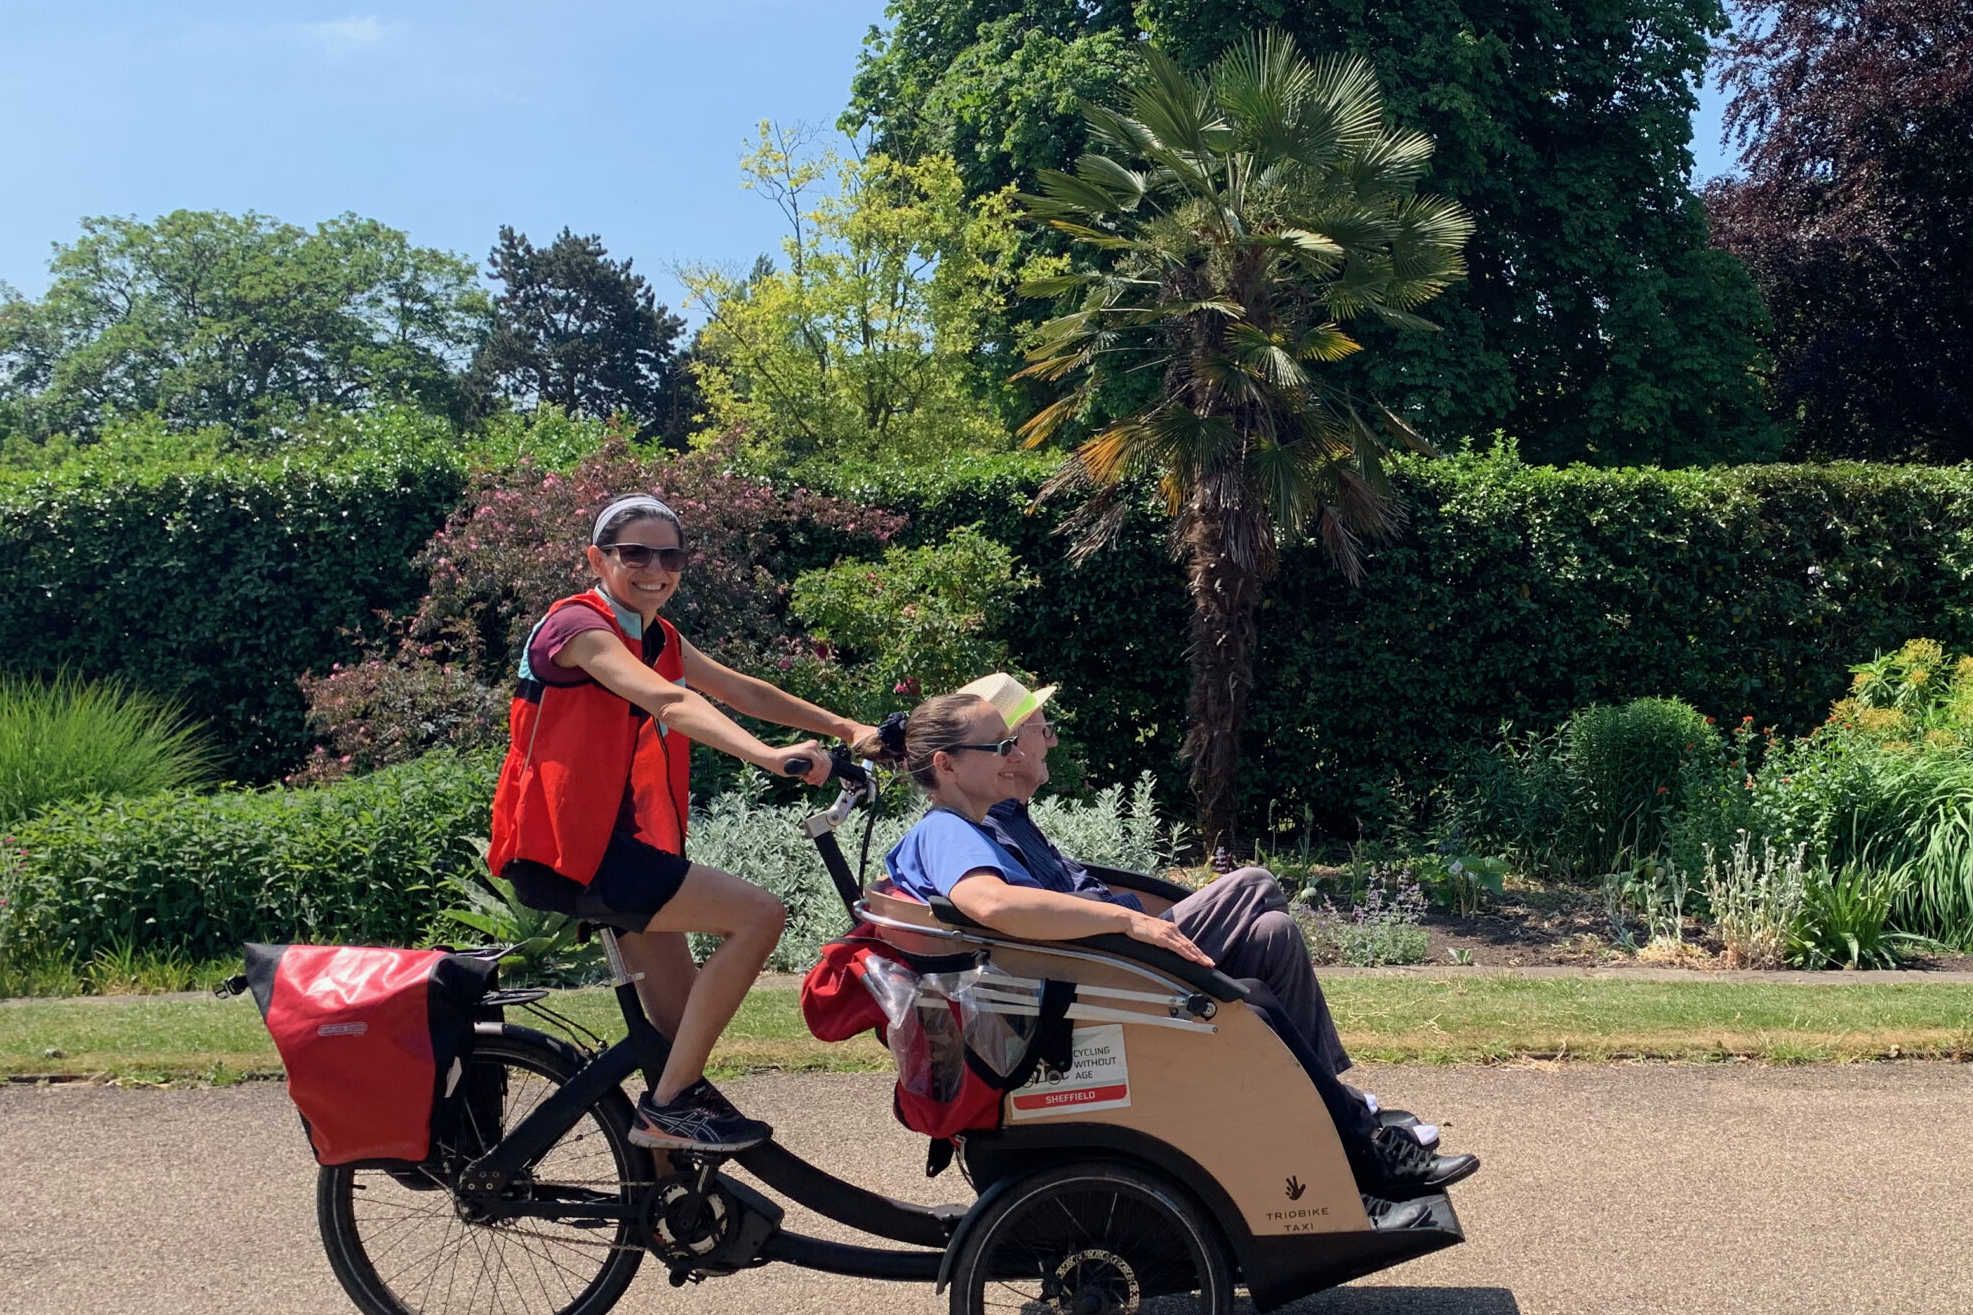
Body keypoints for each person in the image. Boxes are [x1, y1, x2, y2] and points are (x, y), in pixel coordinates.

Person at [877, 690, 1474, 1201]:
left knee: (1265, 954)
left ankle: (1335, 1131)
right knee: (1256, 899)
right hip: (1088, 987)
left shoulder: (965, 828)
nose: (1012, 757)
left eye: (1013, 743)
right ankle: (1364, 1148)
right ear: (947, 766)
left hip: (1079, 978)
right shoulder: (947, 830)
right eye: (998, 747)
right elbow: (993, 906)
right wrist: (1132, 925)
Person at [488, 493, 877, 1155]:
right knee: (759, 917)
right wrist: (767, 755)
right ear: (597, 560)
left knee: (676, 1042)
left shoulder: (655, 634)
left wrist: (844, 727)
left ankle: (669, 1204)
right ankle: (668, 1108)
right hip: (572, 851)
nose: (654, 569)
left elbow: (739, 689)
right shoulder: (577, 630)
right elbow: (669, 699)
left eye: (669, 557)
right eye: (634, 554)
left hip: (616, 847)